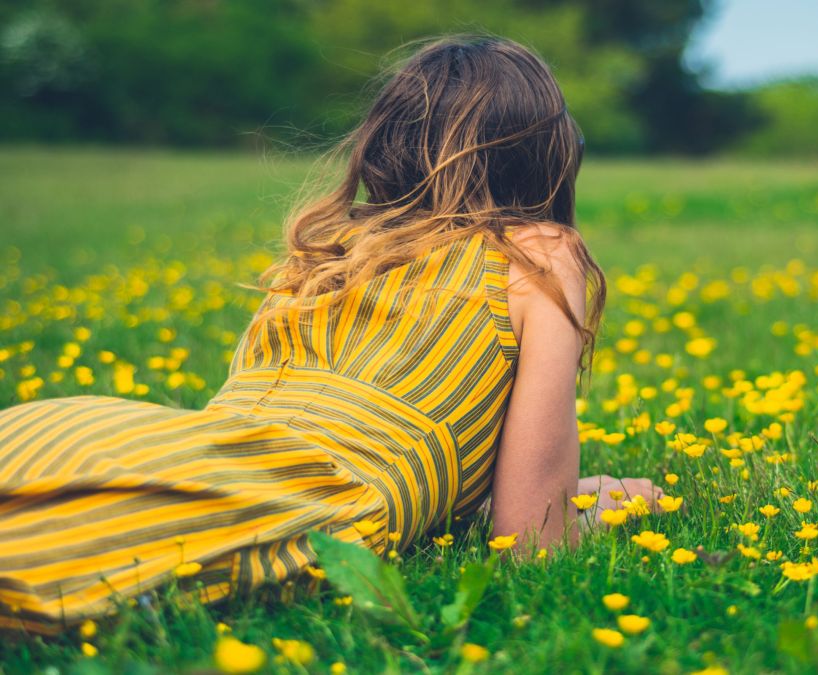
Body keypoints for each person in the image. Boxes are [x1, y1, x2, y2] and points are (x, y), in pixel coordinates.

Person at [0, 34, 664, 635]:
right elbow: (529, 542)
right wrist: (584, 511)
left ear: (389, 141)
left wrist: (549, 489)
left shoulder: (332, 248)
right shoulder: (540, 252)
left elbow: (266, 430)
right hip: (282, 500)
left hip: (97, 439)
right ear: (544, 153)